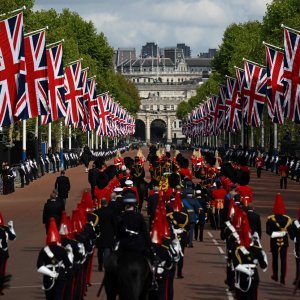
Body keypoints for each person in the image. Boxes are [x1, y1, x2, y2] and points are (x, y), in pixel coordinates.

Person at [37, 218, 72, 300]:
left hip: (47, 277)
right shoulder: (63, 250)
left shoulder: (44, 250)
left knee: (49, 297)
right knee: (58, 296)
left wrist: (50, 273)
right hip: (60, 275)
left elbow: (39, 266)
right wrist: (70, 254)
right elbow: (68, 264)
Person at [266, 193, 293, 285]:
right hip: (284, 242)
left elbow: (268, 231)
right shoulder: (287, 219)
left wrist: (275, 233)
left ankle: (275, 276)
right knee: (283, 261)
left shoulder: (271, 219)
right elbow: (290, 231)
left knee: (275, 260)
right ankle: (282, 279)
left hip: (274, 241)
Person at [94, 199, 116, 271]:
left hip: (100, 233)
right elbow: (114, 223)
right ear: (107, 203)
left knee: (100, 250)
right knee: (107, 249)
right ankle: (106, 265)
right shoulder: (111, 212)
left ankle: (100, 265)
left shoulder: (96, 212)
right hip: (109, 233)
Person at [0, 213, 16, 295]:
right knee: (2, 271)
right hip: (3, 253)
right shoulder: (5, 228)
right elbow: (13, 237)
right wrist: (11, 227)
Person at [289, 208, 300, 287]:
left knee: (298, 264)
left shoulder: (295, 223)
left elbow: (291, 234)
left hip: (298, 245)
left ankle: (298, 279)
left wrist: (295, 238)